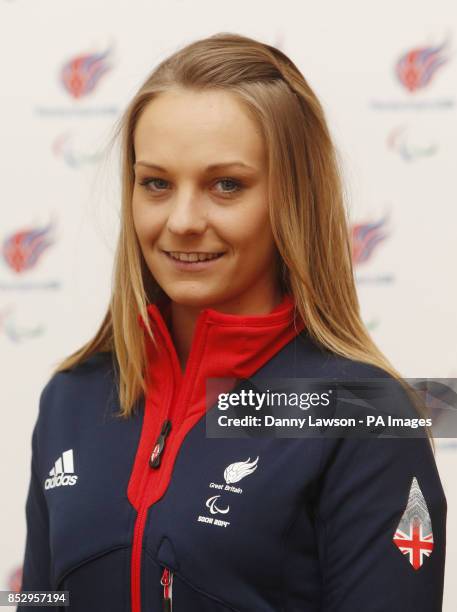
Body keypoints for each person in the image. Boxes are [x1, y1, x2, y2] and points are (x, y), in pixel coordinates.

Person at [18, 32, 446, 611]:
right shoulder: (69, 397)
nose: (183, 220)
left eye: (227, 185)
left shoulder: (365, 416)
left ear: (291, 199)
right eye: (157, 184)